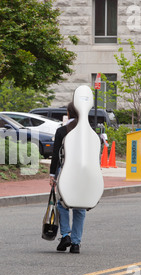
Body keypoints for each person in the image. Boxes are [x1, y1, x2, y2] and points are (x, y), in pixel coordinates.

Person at [49, 102, 86, 254]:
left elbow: (56, 155)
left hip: (65, 171)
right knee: (80, 207)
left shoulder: (62, 131)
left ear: (69, 113)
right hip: (83, 173)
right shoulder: (88, 131)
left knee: (62, 204)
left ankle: (65, 235)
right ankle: (76, 243)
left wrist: (53, 175)